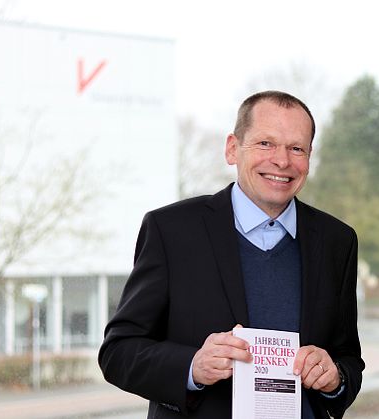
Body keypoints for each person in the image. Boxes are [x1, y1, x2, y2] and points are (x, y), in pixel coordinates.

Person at [99, 91, 364, 418]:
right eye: (265, 143)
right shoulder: (171, 230)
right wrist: (193, 367)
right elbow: (118, 352)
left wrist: (334, 378)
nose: (282, 160)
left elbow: (349, 360)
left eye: (296, 148)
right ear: (232, 149)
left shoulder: (337, 241)